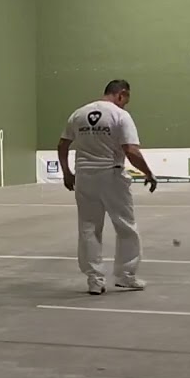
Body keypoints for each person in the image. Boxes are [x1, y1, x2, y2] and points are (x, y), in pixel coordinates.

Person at [56, 79, 157, 295]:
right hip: (111, 175)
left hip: (84, 177)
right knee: (126, 226)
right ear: (121, 94)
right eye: (126, 99)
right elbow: (131, 150)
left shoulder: (79, 114)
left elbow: (63, 144)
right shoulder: (120, 115)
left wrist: (66, 172)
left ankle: (94, 280)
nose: (125, 104)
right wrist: (148, 173)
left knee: (89, 227)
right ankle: (125, 276)